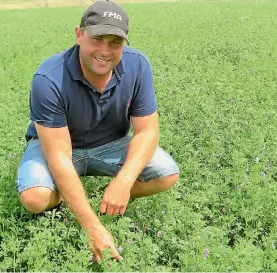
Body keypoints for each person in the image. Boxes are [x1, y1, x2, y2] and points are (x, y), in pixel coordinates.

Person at [15, 0, 180, 263]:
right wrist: (92, 226)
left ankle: (105, 196)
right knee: (35, 198)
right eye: (97, 38)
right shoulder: (49, 78)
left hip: (109, 144)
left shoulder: (138, 66)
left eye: (114, 41)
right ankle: (76, 201)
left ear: (124, 43)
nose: (105, 50)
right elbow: (58, 156)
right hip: (59, 147)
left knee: (166, 174)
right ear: (79, 35)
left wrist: (124, 182)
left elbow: (147, 131)